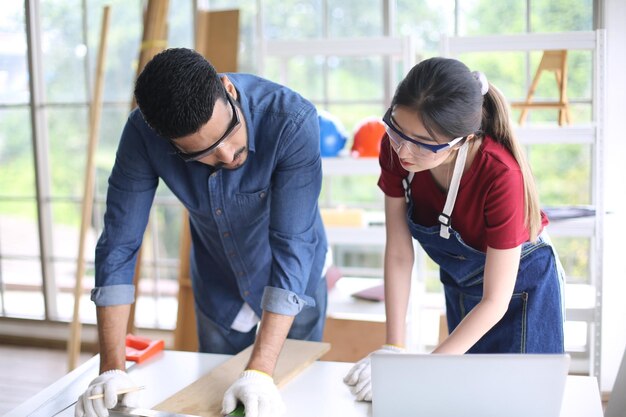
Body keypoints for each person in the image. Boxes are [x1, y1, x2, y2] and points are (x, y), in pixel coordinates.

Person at [75, 48, 328, 417]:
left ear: (228, 89)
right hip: (218, 284)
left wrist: (259, 371)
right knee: (214, 403)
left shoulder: (291, 120)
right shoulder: (143, 136)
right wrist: (113, 368)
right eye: (205, 153)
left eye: (229, 132)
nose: (227, 155)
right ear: (171, 144)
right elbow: (118, 244)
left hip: (294, 284)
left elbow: (293, 245)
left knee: (290, 400)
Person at [344, 57, 565, 401]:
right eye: (396, 130)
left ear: (461, 141)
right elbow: (400, 254)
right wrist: (393, 347)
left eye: (422, 143)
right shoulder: (396, 149)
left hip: (521, 292)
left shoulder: (500, 175)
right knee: (468, 398)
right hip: (463, 287)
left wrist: (425, 370)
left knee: (521, 401)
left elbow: (496, 300)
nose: (403, 150)